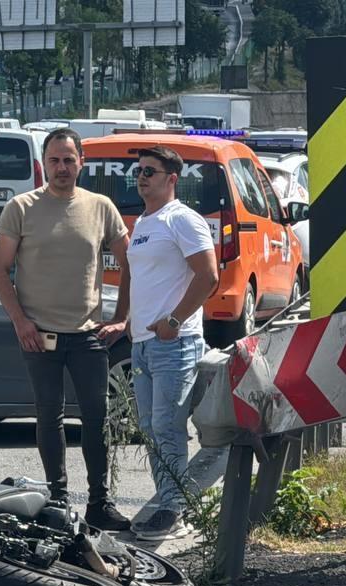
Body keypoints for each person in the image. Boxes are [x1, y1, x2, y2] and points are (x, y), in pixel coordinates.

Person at [0, 127, 132, 532]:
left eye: (69, 160)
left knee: (96, 418)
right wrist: (21, 321)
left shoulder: (101, 207)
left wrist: (122, 317)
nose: (62, 168)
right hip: (39, 333)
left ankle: (100, 502)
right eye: (54, 160)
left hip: (88, 333)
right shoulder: (21, 207)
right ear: (43, 164)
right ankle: (57, 498)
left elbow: (129, 263)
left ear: (81, 162)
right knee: (48, 415)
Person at [127, 146, 218, 541]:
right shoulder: (145, 221)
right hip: (144, 343)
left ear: (171, 179)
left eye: (150, 170)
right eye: (139, 170)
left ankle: (174, 510)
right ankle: (168, 502)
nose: (142, 176)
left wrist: (175, 320)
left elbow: (208, 276)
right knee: (151, 427)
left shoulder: (182, 219)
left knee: (167, 426)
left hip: (174, 343)